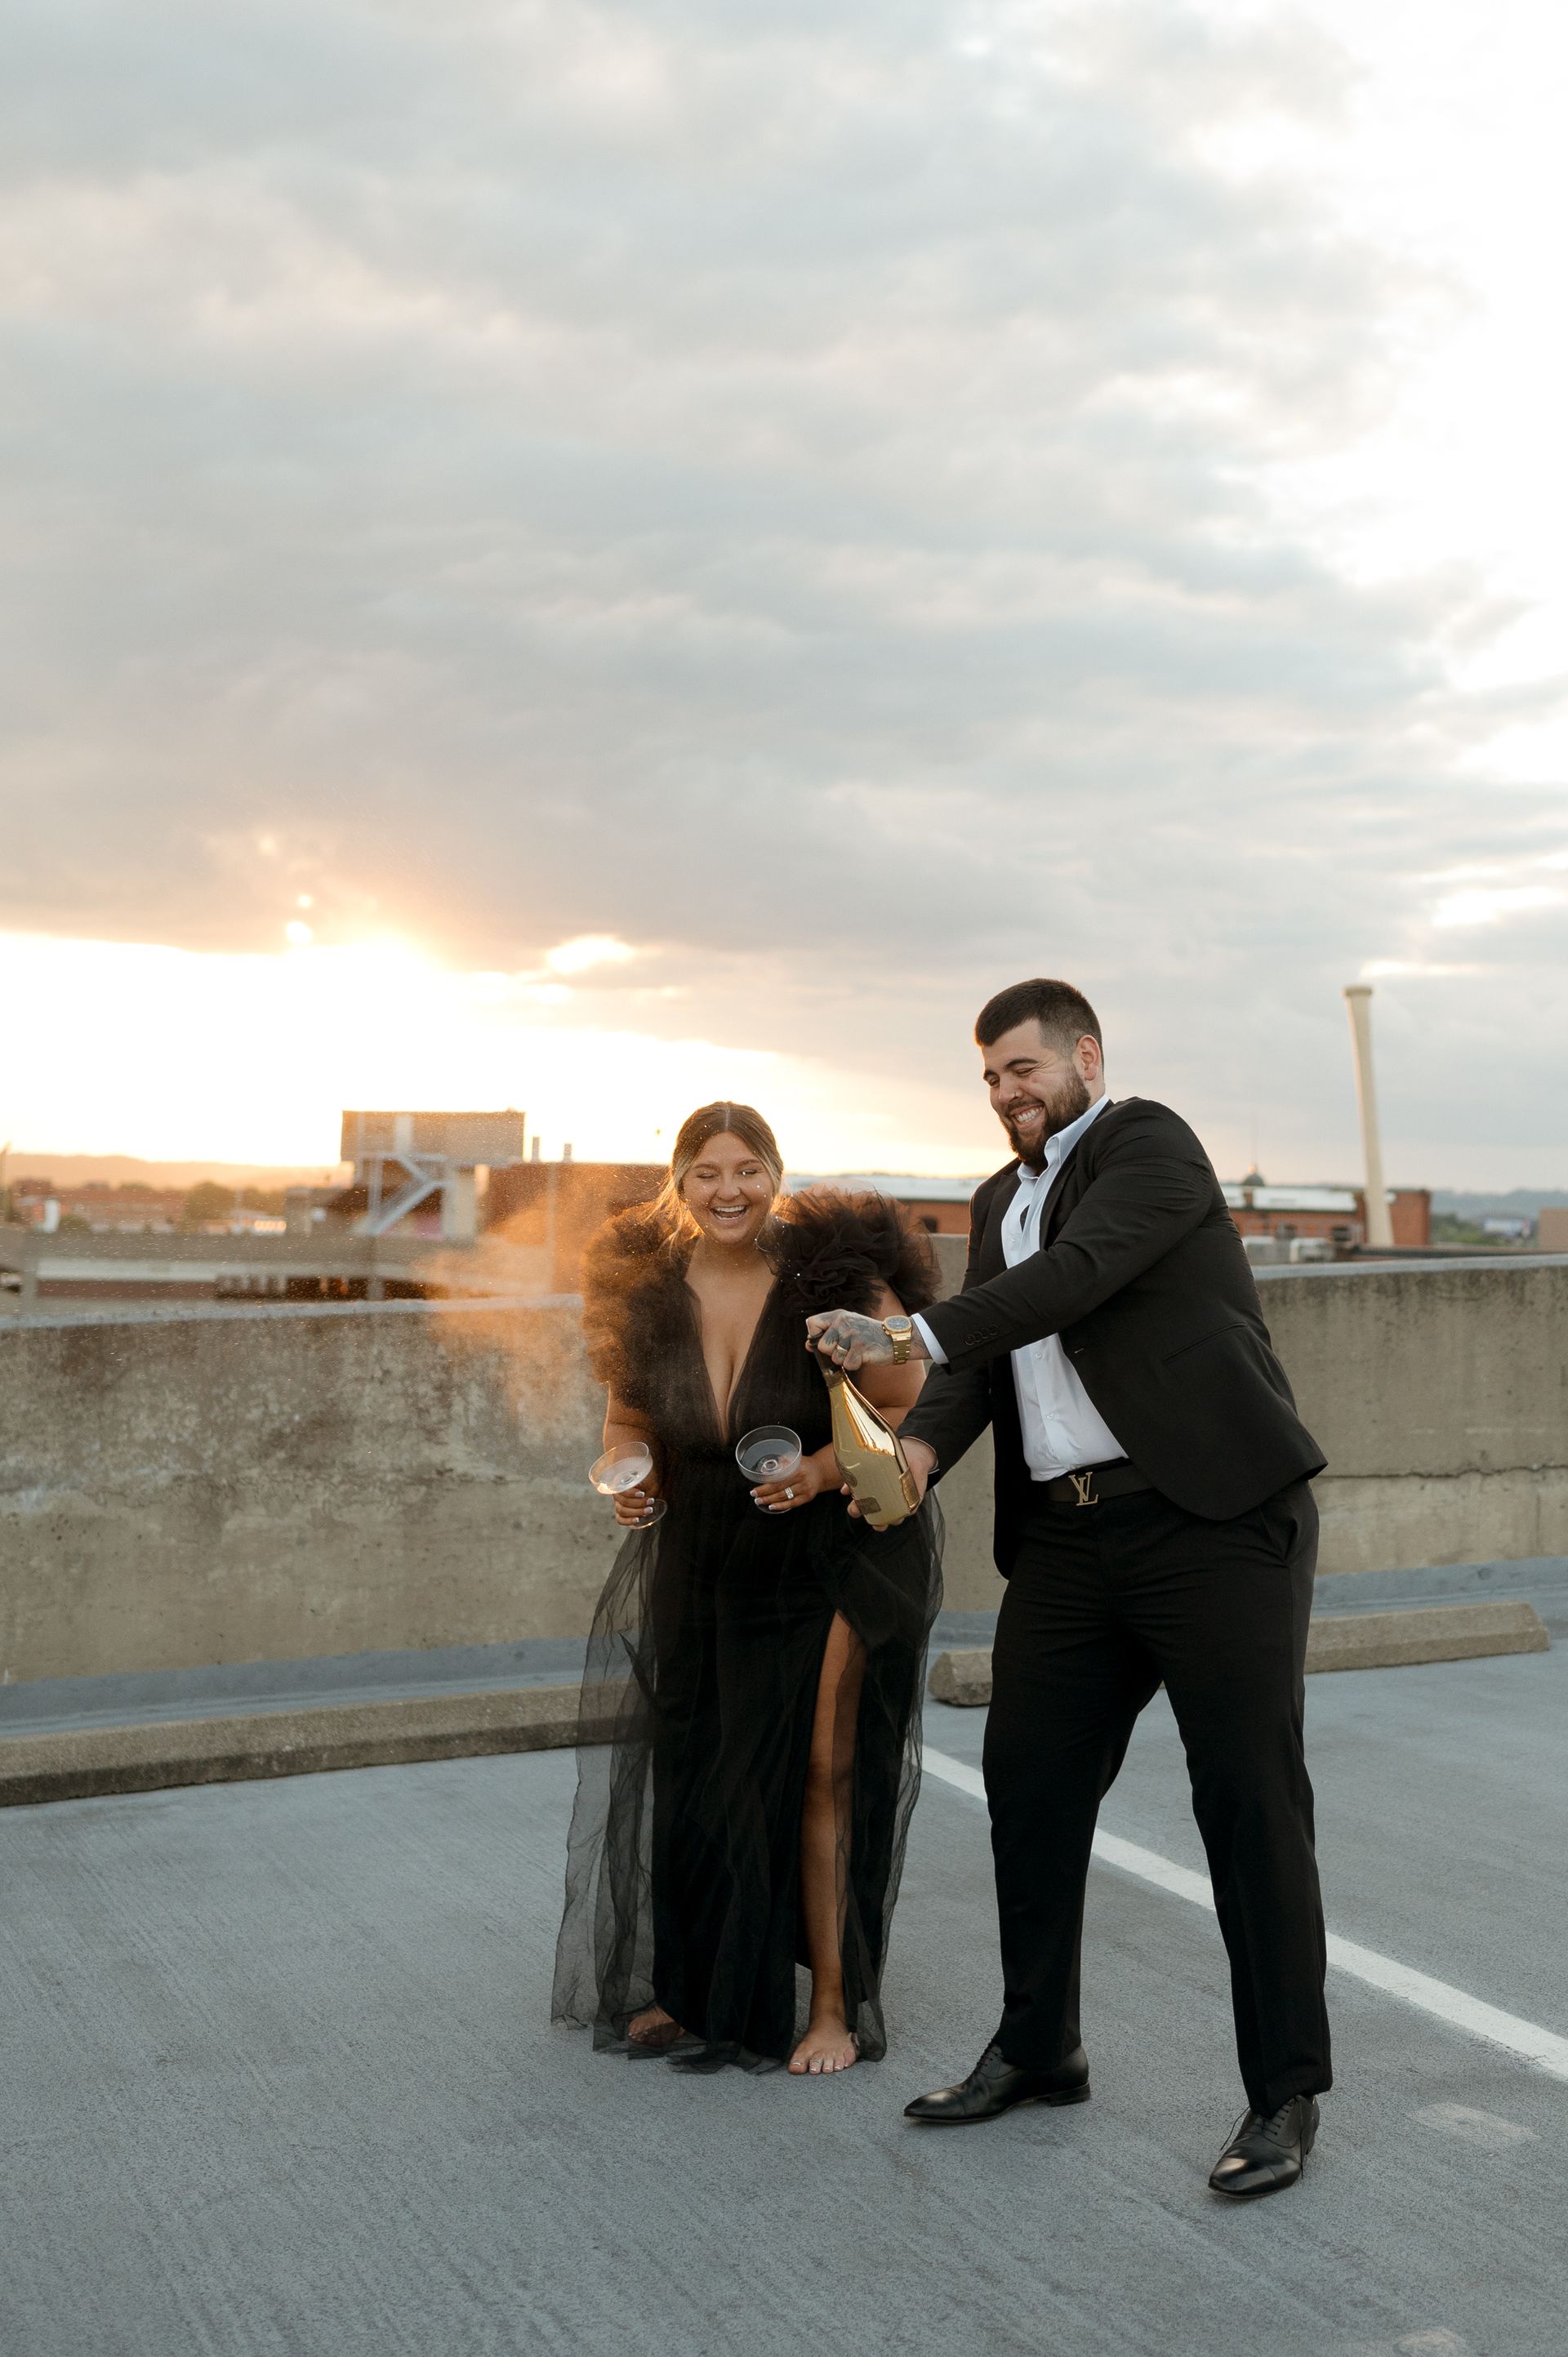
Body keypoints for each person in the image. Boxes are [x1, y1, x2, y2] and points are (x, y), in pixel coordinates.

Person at [805, 979, 1332, 2196]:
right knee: (1028, 1781)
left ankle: (1286, 2092)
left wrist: (902, 1337)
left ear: (1085, 1056)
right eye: (990, 1077)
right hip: (1071, 1541)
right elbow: (990, 1356)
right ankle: (1041, 2048)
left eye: (1025, 1067)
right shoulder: (999, 1200)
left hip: (1213, 1517)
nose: (1008, 1092)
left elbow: (1074, 1281)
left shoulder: (1147, 1143)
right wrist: (919, 1452)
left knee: (1248, 1799)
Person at [552, 1102, 943, 2076]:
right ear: (677, 1184)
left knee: (820, 1768)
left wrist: (816, 1471)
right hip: (708, 1549)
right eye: (707, 1173)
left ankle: (830, 2009)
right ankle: (699, 1991)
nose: (729, 1191)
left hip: (831, 1546)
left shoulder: (833, 1276)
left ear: (775, 1172)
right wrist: (631, 1477)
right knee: (700, 1765)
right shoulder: (645, 1291)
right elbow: (626, 1421)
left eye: (748, 1170)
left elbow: (905, 1401)